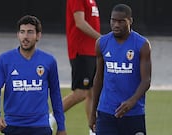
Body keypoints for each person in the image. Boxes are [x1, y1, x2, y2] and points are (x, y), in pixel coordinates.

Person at [0, 15, 67, 135]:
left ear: (38, 36)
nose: (25, 37)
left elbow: (55, 94)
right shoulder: (5, 60)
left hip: (40, 126)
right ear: (18, 35)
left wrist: (61, 126)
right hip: (13, 125)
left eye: (30, 32)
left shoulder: (48, 61)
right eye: (22, 32)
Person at [89, 4, 152, 135]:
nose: (116, 25)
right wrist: (93, 111)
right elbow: (98, 78)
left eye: (121, 21)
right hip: (106, 112)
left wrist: (132, 101)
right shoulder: (102, 43)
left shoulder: (142, 44)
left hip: (133, 113)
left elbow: (146, 80)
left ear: (130, 21)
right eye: (113, 20)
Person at [49, 0, 100, 135]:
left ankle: (93, 130)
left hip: (92, 50)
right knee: (80, 93)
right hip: (81, 50)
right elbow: (80, 22)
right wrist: (101, 38)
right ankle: (48, 120)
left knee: (92, 93)